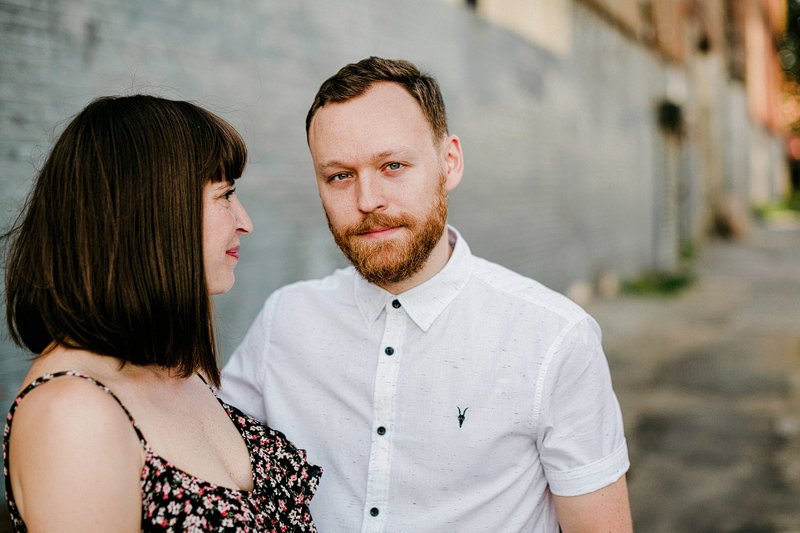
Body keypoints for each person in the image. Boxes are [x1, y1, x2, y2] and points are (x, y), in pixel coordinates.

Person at [220, 57, 632, 532]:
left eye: (392, 165)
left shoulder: (554, 338)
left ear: (449, 161)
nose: (367, 200)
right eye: (339, 176)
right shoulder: (285, 322)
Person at [2, 95, 321, 532]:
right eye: (224, 195)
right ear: (153, 211)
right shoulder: (73, 416)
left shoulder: (173, 368)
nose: (244, 221)